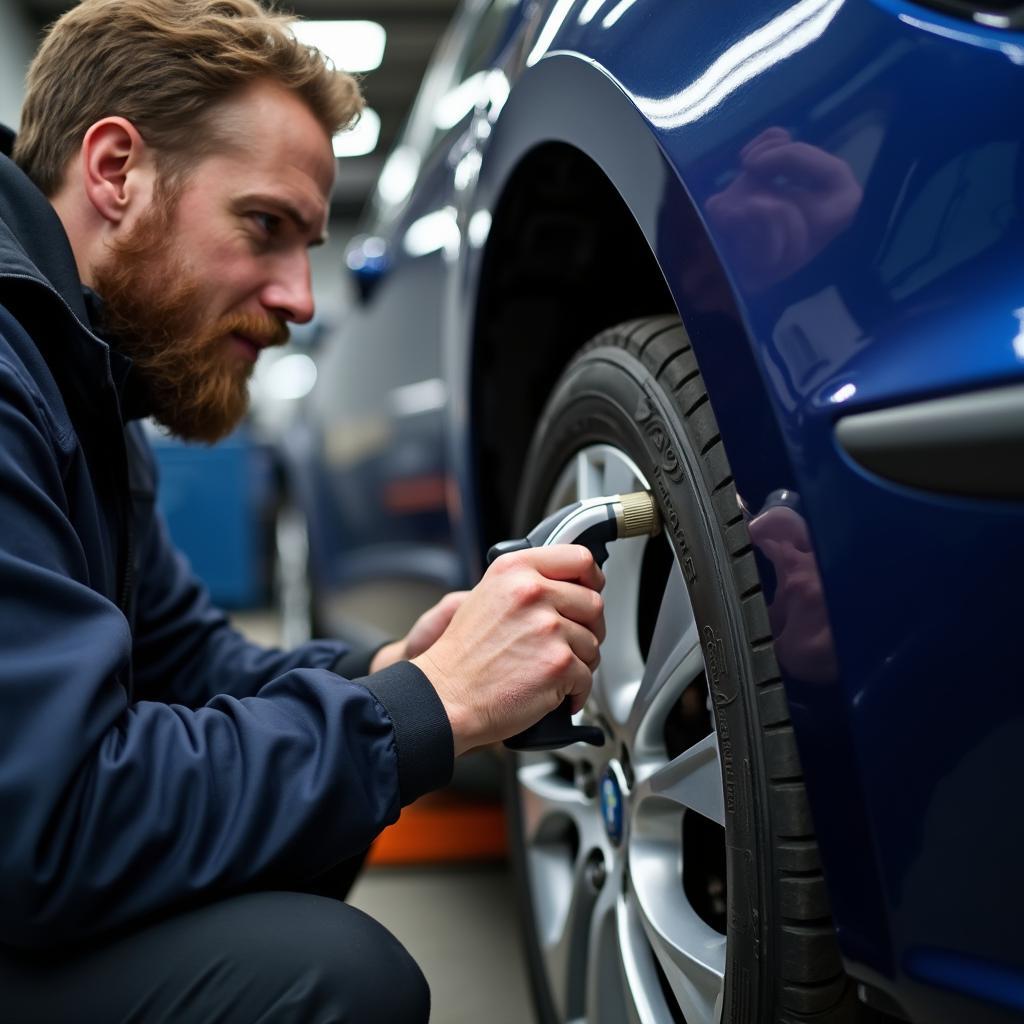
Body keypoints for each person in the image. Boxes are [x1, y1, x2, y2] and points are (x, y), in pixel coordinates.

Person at [0, 1, 606, 1020]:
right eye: (264, 226)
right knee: (331, 975)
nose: (302, 298)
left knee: (331, 803)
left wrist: (394, 673)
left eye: (310, 245)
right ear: (115, 171)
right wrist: (428, 707)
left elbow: (190, 663)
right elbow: (51, 823)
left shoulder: (85, 382)